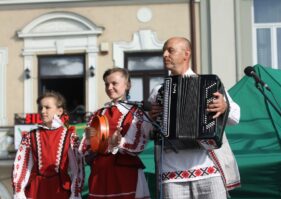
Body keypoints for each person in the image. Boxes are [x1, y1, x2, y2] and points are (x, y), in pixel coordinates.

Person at [148, 37, 241, 199]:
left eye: (170, 50)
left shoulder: (209, 84)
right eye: (163, 51)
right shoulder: (158, 91)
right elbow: (147, 132)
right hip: (171, 173)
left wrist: (224, 107)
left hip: (208, 170)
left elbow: (235, 117)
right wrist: (151, 118)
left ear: (186, 54)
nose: (164, 55)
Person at [79, 67, 153, 199]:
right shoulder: (97, 114)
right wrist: (90, 141)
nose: (110, 87)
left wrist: (119, 143)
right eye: (107, 84)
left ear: (127, 84)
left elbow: (137, 145)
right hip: (100, 173)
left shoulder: (136, 112)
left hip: (125, 172)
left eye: (114, 83)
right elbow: (84, 149)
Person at [12, 91, 84, 199]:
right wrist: (19, 193)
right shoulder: (30, 136)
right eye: (40, 107)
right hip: (36, 190)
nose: (42, 111)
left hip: (60, 190)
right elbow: (23, 167)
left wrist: (75, 194)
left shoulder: (70, 137)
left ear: (59, 111)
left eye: (47, 107)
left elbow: (77, 169)